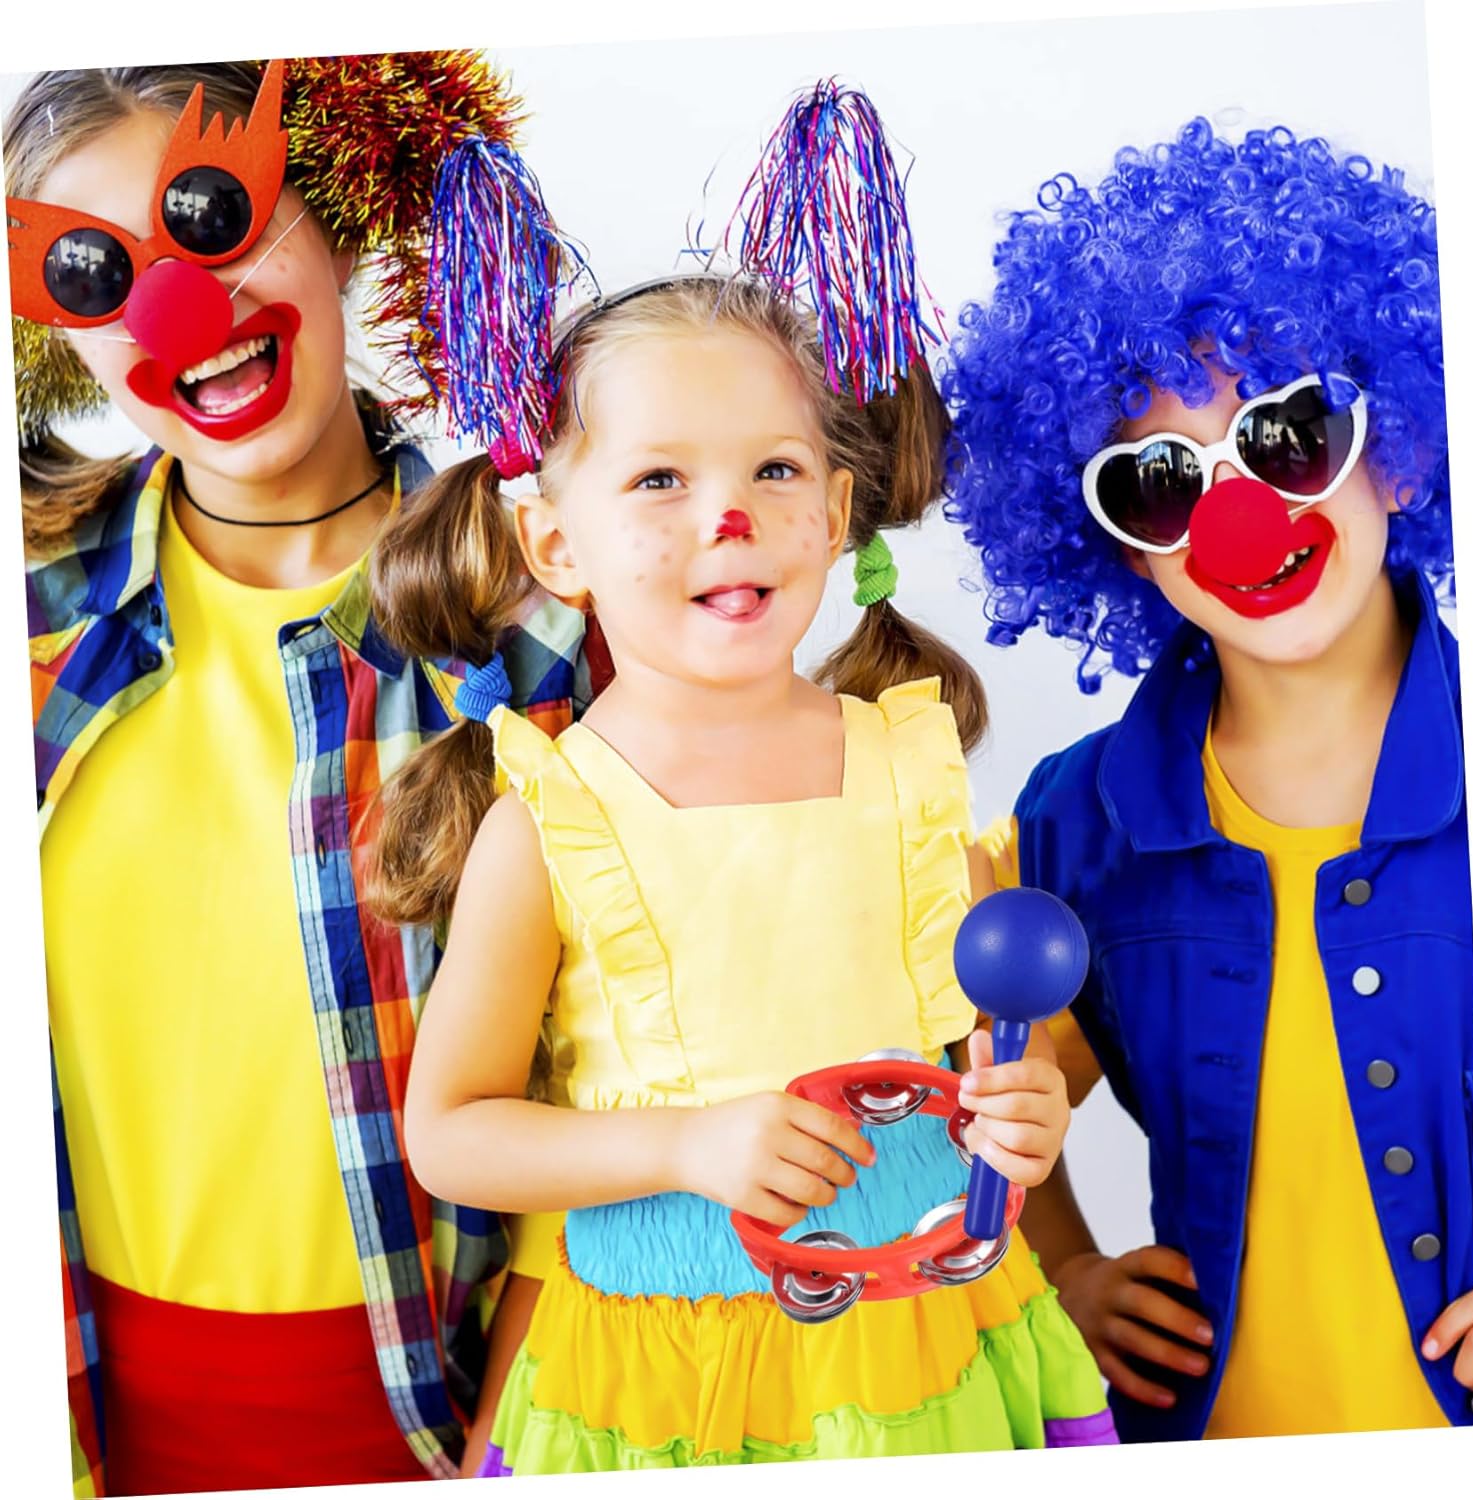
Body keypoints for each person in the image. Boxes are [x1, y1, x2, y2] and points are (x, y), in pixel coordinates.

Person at [368, 85, 1117, 1472]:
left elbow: (1000, 1055)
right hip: (665, 1380)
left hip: (931, 1343)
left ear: (834, 515)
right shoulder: (548, 822)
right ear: (554, 543)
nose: (729, 514)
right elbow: (453, 1136)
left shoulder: (908, 777)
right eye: (659, 479)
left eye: (774, 470)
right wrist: (686, 1147)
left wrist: (1024, 1107)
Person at [7, 54, 598, 1493]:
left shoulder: (547, 624)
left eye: (213, 214)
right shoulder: (29, 616)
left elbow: (628, 1074)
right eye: (92, 273)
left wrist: (514, 1449)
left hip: (466, 1421)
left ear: (337, 215)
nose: (177, 310)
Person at [941, 116, 1473, 1441]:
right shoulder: (1077, 820)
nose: (1238, 516)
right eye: (1160, 481)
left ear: (1403, 448)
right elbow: (997, 1097)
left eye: (1290, 438)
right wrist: (1065, 1270)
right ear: (1120, 545)